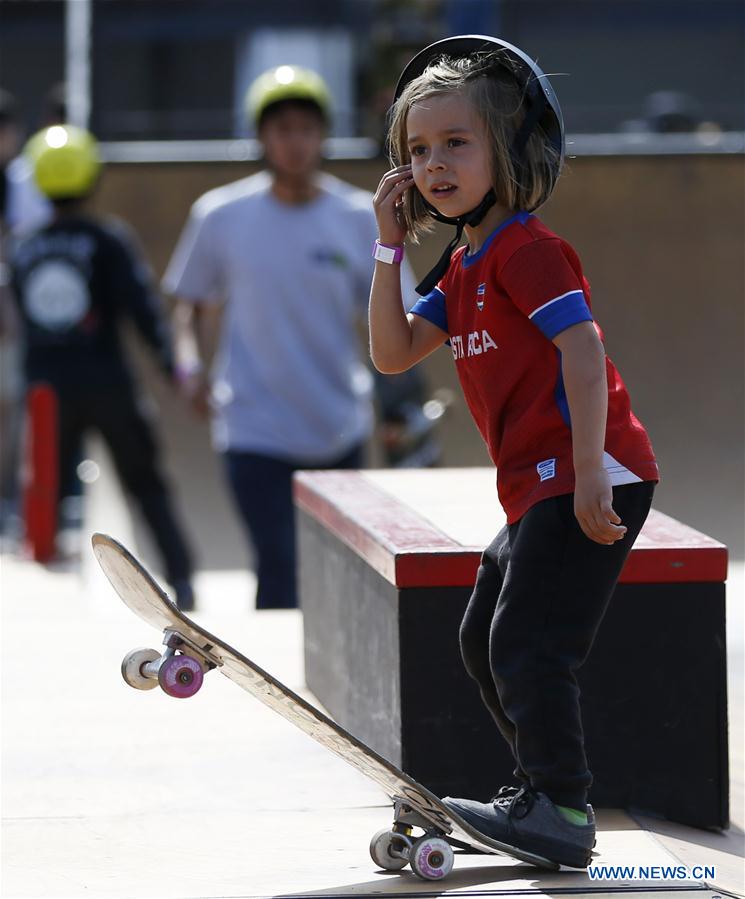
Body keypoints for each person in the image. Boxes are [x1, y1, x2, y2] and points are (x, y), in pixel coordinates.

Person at [369, 36, 659, 868]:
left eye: (456, 143)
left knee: (530, 644)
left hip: (587, 472)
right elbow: (391, 354)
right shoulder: (462, 265)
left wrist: (590, 473)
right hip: (541, 483)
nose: (433, 164)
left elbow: (582, 349)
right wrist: (388, 245)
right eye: (417, 150)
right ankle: (542, 792)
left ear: (508, 150)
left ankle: (559, 806)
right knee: (481, 638)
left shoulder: (525, 250)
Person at [163, 65, 417, 610]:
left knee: (332, 572)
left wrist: (399, 403)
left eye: (305, 128)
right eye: (282, 129)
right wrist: (189, 368)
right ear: (262, 137)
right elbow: (189, 305)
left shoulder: (357, 217)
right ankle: (272, 687)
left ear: (322, 135)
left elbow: (401, 317)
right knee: (278, 567)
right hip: (252, 425)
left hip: (336, 425)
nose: (294, 142)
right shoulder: (221, 215)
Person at [10, 124, 196, 606]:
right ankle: (183, 583)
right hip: (108, 384)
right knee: (145, 484)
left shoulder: (24, 246)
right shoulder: (107, 240)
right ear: (91, 177)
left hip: (47, 391)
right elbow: (141, 307)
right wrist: (169, 363)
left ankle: (42, 600)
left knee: (46, 495)